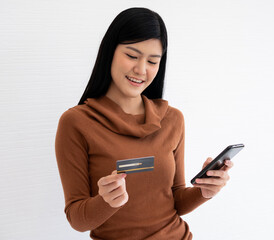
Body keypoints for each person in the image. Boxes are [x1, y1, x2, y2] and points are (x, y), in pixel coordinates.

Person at [55, 7, 233, 240]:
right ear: (110, 51)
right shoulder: (76, 123)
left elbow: (175, 200)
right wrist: (106, 202)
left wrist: (204, 191)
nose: (141, 70)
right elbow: (77, 219)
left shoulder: (172, 119)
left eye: (152, 61)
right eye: (131, 56)